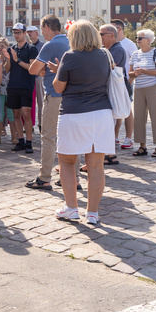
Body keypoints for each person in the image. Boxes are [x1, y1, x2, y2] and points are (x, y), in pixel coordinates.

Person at [50, 20, 114, 225]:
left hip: (74, 113)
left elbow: (59, 88)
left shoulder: (70, 57)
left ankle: (71, 208)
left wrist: (58, 71)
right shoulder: (105, 55)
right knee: (96, 166)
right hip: (101, 113)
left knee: (67, 162)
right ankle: (93, 212)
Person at [25, 15, 71, 190]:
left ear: (46, 27)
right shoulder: (70, 42)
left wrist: (42, 69)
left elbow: (33, 69)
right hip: (70, 96)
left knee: (48, 136)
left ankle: (44, 177)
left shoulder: (50, 45)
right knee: (69, 136)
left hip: (53, 94)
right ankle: (74, 178)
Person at [128, 29, 156, 158]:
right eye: (137, 37)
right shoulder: (135, 54)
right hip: (139, 88)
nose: (137, 40)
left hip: (153, 87)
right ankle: (142, 146)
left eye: (140, 38)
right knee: (139, 118)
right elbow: (130, 73)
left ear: (148, 40)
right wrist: (135, 74)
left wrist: (144, 71)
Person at [7, 23, 38, 154]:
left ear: (25, 33)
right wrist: (8, 60)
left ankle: (29, 142)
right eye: (14, 32)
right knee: (16, 114)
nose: (16, 35)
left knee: (26, 114)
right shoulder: (11, 49)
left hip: (26, 85)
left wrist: (17, 60)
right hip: (13, 85)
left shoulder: (31, 49)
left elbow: (32, 69)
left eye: (18, 32)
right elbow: (6, 69)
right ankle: (21, 141)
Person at [99, 24, 128, 166]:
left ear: (111, 35)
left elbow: (108, 67)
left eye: (101, 34)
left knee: (109, 123)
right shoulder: (108, 49)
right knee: (107, 123)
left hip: (113, 91)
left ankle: (110, 154)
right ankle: (109, 154)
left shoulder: (117, 49)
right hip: (108, 90)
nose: (100, 37)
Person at [112, 19, 136, 149]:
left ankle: (128, 138)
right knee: (116, 109)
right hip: (114, 81)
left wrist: (129, 81)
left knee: (127, 110)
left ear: (119, 29)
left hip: (126, 81)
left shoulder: (129, 44)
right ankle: (114, 136)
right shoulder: (111, 43)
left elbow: (135, 64)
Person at [0, 37, 15, 144]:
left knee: (11, 113)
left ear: (7, 47)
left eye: (2, 46)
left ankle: (14, 137)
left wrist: (7, 58)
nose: (0, 48)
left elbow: (7, 69)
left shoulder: (11, 57)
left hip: (10, 88)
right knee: (0, 114)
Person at [27, 25, 45, 128]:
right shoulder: (27, 46)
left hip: (38, 77)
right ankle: (30, 125)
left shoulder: (42, 46)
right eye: (28, 32)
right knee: (29, 103)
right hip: (29, 77)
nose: (29, 34)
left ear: (37, 33)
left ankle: (41, 123)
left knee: (41, 101)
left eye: (31, 32)